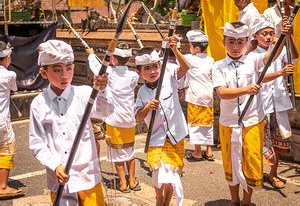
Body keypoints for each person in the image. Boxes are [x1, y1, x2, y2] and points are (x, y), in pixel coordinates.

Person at [212, 20, 292, 205]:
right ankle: (234, 200)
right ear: (223, 42)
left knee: (252, 162)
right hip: (229, 123)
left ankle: (247, 201)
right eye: (231, 41)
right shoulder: (218, 66)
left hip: (253, 121)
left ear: (247, 41)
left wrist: (282, 36)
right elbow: (222, 93)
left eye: (240, 42)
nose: (235, 46)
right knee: (231, 163)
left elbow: (271, 57)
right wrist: (247, 89)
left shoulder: (253, 60)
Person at [29, 39, 113, 205]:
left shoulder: (84, 93)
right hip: (59, 179)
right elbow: (37, 143)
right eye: (57, 69)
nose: (64, 75)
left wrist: (102, 89)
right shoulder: (38, 103)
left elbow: (105, 111)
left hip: (87, 176)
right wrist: (55, 165)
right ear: (44, 73)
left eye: (69, 68)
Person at [135, 36, 189, 206]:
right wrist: (147, 108)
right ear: (139, 72)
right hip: (156, 138)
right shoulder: (141, 93)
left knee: (172, 173)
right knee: (158, 171)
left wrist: (174, 49)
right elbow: (137, 117)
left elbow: (185, 67)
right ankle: (159, 199)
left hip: (176, 134)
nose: (152, 71)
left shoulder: (170, 74)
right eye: (147, 68)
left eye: (155, 66)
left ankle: (166, 201)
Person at [251, 16, 298, 189]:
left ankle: (273, 174)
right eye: (265, 33)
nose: (269, 37)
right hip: (261, 106)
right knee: (259, 143)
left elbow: (294, 57)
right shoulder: (251, 56)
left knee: (278, 143)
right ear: (255, 35)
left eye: (271, 33)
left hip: (278, 103)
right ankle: (255, 172)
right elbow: (259, 77)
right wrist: (280, 73)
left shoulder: (280, 48)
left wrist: (289, 36)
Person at [87, 42, 141, 193]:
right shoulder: (133, 76)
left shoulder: (109, 73)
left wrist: (91, 54)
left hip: (114, 120)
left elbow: (96, 67)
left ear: (113, 59)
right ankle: (132, 181)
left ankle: (123, 183)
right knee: (130, 151)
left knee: (117, 153)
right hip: (129, 120)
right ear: (129, 59)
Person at [183, 30, 215, 161]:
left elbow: (179, 59)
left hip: (195, 96)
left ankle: (197, 151)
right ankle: (209, 150)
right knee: (208, 122)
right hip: (208, 95)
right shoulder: (211, 60)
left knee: (195, 123)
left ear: (196, 48)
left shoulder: (190, 59)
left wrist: (174, 48)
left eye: (190, 46)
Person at [0, 41, 24, 200]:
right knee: (6, 149)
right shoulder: (9, 75)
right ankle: (2, 186)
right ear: (7, 58)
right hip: (1, 120)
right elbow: (14, 88)